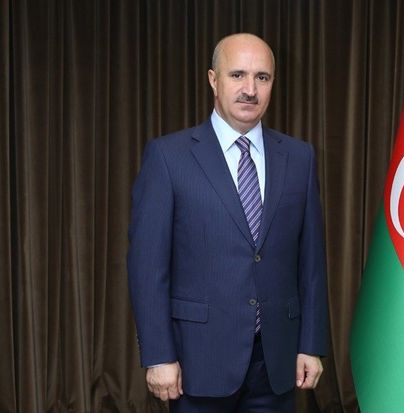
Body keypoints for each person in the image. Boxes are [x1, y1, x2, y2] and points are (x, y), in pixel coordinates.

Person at [127, 33, 328, 412]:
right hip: (197, 362)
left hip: (277, 361)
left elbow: (311, 262)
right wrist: (158, 354)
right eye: (238, 75)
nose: (250, 89)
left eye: (262, 77)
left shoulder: (299, 158)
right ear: (213, 80)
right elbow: (147, 266)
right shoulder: (168, 157)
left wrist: (311, 344)